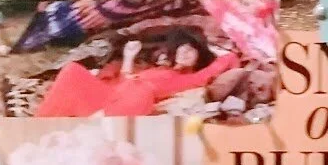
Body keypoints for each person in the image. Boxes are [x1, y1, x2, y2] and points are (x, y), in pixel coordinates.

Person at [37, 28, 239, 118]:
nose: (184, 53)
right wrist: (129, 56)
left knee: (141, 91)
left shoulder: (192, 79)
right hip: (114, 95)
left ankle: (88, 124)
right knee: (72, 71)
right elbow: (125, 81)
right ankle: (43, 123)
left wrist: (217, 49)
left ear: (198, 59)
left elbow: (228, 58)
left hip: (128, 106)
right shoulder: (161, 69)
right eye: (182, 49)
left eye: (191, 51)